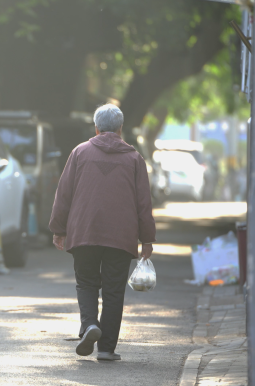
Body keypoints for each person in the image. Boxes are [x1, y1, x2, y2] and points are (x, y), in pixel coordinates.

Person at [49, 104, 156, 361]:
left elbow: (64, 194)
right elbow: (144, 202)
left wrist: (58, 228)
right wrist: (147, 239)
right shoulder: (134, 159)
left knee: (86, 283)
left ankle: (89, 325)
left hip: (84, 231)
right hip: (121, 236)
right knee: (113, 290)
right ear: (120, 129)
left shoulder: (79, 153)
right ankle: (107, 348)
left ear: (96, 128)